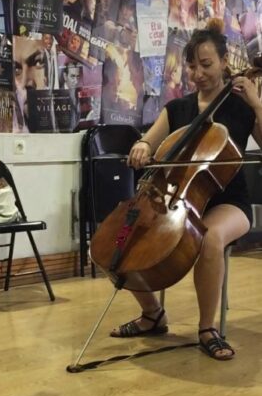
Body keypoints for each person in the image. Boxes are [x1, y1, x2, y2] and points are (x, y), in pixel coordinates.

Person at [110, 21, 262, 360]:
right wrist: (142, 146)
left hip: (229, 202)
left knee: (210, 237)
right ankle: (152, 314)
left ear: (224, 62)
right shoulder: (177, 109)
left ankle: (208, 328)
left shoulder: (240, 108)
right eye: (192, 66)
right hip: (179, 199)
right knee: (123, 236)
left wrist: (257, 105)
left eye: (206, 64)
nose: (197, 73)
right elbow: (150, 138)